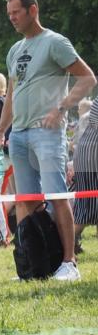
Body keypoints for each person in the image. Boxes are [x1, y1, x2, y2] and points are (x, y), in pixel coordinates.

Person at [0, 0, 96, 281]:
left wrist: (61, 108)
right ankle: (32, 265)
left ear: (33, 10)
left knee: (57, 196)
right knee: (27, 201)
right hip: (18, 134)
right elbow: (12, 94)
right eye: (9, 14)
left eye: (16, 12)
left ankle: (69, 263)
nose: (12, 18)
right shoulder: (14, 50)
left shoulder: (55, 42)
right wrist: (1, 130)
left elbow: (87, 78)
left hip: (47, 133)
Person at [71, 98, 98, 251]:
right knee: (87, 209)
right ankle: (65, 246)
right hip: (91, 159)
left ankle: (69, 245)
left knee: (87, 207)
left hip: (88, 157)